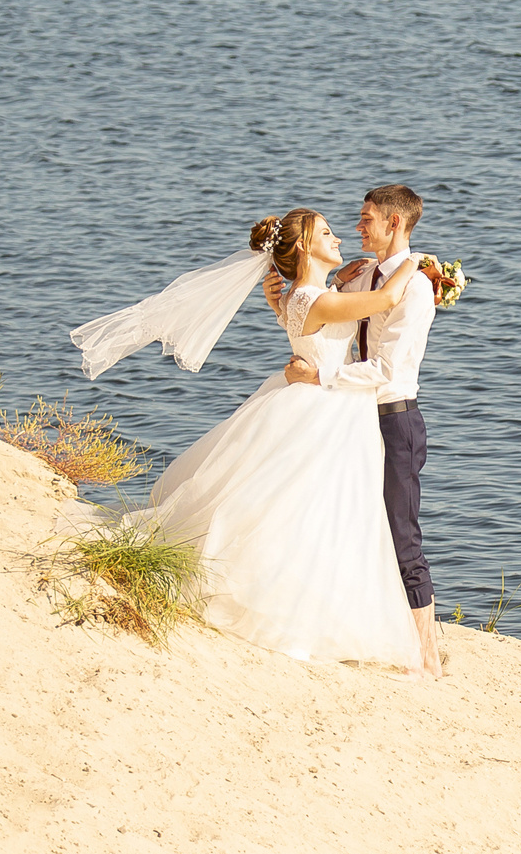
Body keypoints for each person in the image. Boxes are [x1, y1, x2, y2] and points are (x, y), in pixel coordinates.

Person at [126, 208, 433, 671]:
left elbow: (308, 318)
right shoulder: (318, 299)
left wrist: (342, 279)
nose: (340, 237)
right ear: (306, 246)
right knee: (313, 511)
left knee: (308, 508)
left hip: (322, 402)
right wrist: (420, 263)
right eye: (327, 233)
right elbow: (389, 295)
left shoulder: (302, 296)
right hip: (326, 405)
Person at [263, 184, 446, 679]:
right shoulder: (360, 275)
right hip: (350, 419)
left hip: (392, 415)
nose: (356, 227)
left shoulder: (416, 286)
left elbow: (387, 371)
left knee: (401, 533)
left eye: (366, 219)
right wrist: (279, 300)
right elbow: (315, 317)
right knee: (349, 524)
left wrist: (318, 376)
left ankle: (428, 653)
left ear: (394, 223)